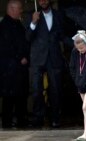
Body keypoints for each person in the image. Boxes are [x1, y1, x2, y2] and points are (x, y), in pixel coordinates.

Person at [25, 0, 65, 128]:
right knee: (37, 90)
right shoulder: (32, 15)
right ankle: (38, 118)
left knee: (55, 90)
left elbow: (62, 36)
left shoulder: (58, 15)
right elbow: (27, 37)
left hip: (54, 57)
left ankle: (55, 118)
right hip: (37, 59)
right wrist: (33, 23)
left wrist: (78, 42)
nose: (42, 1)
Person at [0, 0, 29, 128]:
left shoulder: (18, 23)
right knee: (9, 97)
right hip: (9, 68)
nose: (21, 11)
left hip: (18, 68)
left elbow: (25, 42)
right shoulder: (4, 26)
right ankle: (7, 122)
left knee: (20, 95)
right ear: (11, 9)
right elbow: (5, 47)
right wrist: (20, 58)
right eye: (19, 9)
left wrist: (25, 57)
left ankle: (20, 120)